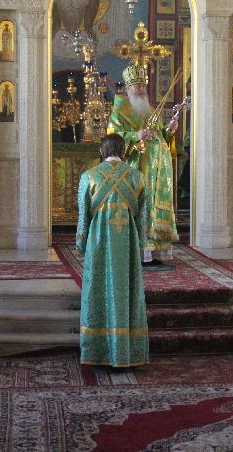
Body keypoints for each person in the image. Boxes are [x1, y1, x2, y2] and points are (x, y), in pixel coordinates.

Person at [76, 133, 150, 367]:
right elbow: (143, 218)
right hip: (127, 243)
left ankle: (98, 350)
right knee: (125, 289)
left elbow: (83, 215)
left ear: (101, 151)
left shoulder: (89, 176)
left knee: (98, 288)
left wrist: (81, 242)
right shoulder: (137, 177)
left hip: (99, 242)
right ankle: (127, 350)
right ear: (124, 151)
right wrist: (141, 243)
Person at [108, 64, 179, 267]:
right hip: (138, 168)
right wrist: (135, 135)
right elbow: (113, 137)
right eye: (138, 85)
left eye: (143, 85)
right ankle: (140, 252)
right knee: (143, 206)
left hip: (159, 170)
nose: (142, 89)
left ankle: (157, 252)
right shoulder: (119, 112)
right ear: (129, 88)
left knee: (157, 207)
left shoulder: (150, 111)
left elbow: (160, 137)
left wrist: (169, 131)